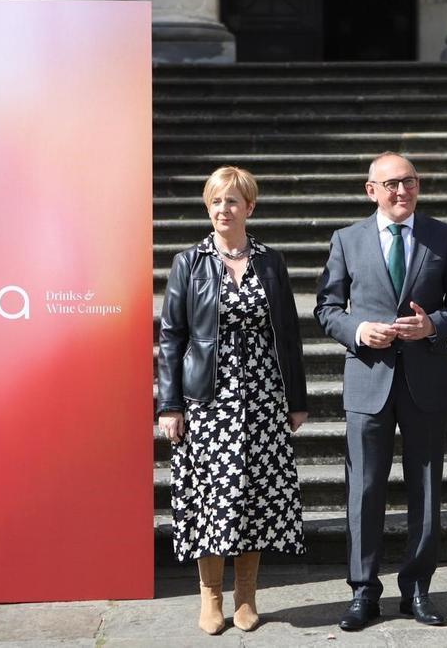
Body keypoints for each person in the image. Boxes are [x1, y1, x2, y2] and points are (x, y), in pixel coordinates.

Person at [314, 152, 447, 631]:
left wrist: (433, 325)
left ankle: (418, 589)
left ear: (419, 185)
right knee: (364, 489)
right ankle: (363, 592)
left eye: (408, 182)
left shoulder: (442, 236)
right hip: (368, 380)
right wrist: (359, 329)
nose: (401, 191)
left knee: (425, 488)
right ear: (371, 191)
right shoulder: (347, 239)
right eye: (390, 185)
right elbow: (326, 307)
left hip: (426, 381)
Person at [157, 166, 308, 636]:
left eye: (233, 201)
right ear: (208, 207)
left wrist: (295, 397)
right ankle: (210, 598)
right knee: (210, 498)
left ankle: (246, 597)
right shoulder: (188, 262)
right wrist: (170, 404)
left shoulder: (270, 261)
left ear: (250, 207)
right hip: (207, 397)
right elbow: (172, 337)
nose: (224, 209)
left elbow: (289, 334)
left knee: (254, 496)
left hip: (263, 395)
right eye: (216, 201)